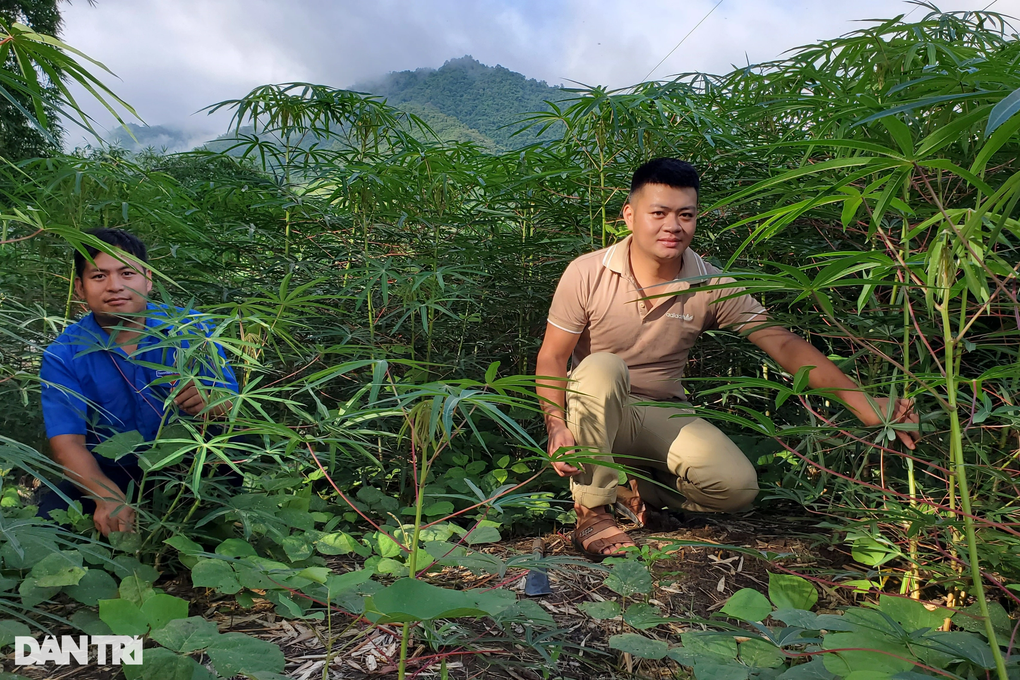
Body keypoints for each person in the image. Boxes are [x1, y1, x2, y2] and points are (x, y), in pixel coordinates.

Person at [535, 158, 919, 560]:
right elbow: (552, 356)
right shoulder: (587, 272)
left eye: (686, 214)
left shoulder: (712, 283)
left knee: (736, 488)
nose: (673, 226)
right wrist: (555, 423)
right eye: (659, 213)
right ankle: (592, 511)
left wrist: (864, 403)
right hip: (593, 406)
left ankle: (633, 491)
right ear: (630, 215)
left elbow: (783, 344)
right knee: (602, 366)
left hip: (658, 409)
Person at [38, 228, 239, 537]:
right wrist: (106, 497)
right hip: (110, 471)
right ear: (79, 287)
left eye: (127, 273)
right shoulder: (63, 354)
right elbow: (68, 445)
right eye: (99, 276)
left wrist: (210, 400)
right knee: (48, 524)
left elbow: (234, 407)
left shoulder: (191, 329)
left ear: (148, 279)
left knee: (217, 511)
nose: (115, 286)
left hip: (189, 462)